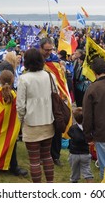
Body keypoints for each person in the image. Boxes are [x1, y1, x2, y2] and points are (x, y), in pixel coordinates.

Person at [16, 48, 55, 183]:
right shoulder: (50, 76)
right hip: (48, 120)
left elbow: (20, 105)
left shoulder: (24, 79)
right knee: (46, 156)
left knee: (34, 160)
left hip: (31, 122)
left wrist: (20, 121)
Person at [0, 70, 27, 177]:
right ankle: (13, 166)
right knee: (11, 145)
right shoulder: (14, 95)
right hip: (11, 127)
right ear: (13, 80)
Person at [40, 37, 71, 167]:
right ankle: (43, 155)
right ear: (41, 48)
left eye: (50, 49)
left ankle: (55, 155)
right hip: (42, 99)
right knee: (44, 128)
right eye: (46, 50)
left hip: (56, 99)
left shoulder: (56, 62)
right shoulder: (36, 60)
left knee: (57, 126)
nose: (48, 52)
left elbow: (61, 80)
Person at [67, 107, 94, 183]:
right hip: (85, 153)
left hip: (74, 154)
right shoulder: (88, 128)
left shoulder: (72, 128)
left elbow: (69, 134)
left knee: (74, 172)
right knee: (87, 171)